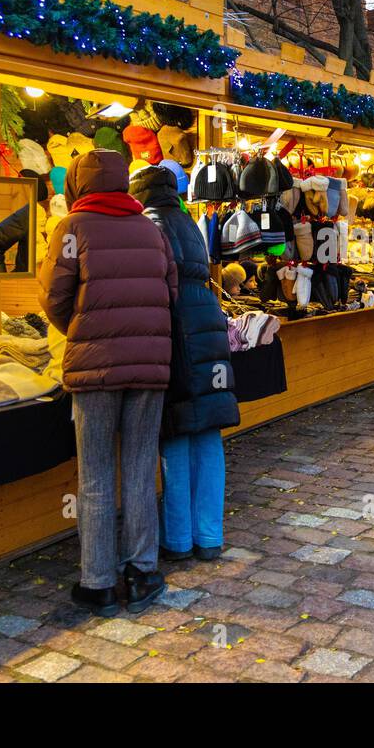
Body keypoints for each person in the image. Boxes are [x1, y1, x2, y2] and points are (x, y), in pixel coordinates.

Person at [39, 149, 178, 617]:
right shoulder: (151, 230)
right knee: (140, 467)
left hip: (93, 369)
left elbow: (54, 297)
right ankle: (142, 573)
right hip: (150, 365)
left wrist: (82, 330)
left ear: (78, 184)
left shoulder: (72, 229)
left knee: (95, 474)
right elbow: (170, 292)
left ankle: (97, 582)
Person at [130, 163, 239, 563]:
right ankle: (209, 536)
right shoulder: (189, 223)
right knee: (208, 435)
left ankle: (177, 539)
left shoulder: (147, 225)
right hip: (206, 321)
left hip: (174, 328)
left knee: (175, 434)